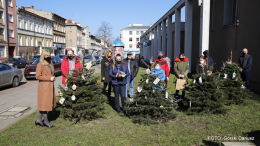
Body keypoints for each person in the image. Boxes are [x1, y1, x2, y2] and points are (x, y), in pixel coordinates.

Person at [35, 50, 56, 128]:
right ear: (43, 56)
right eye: (47, 55)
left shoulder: (51, 64)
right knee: (45, 105)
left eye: (49, 55)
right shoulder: (40, 65)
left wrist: (53, 77)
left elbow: (51, 74)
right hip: (44, 87)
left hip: (50, 86)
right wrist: (49, 78)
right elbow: (37, 76)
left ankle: (39, 120)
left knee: (45, 104)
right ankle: (46, 122)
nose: (49, 56)